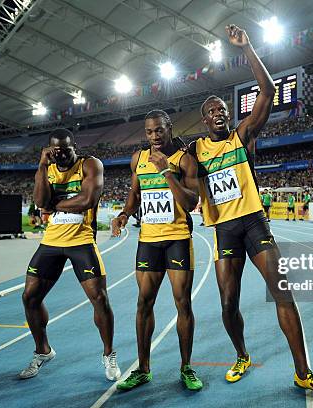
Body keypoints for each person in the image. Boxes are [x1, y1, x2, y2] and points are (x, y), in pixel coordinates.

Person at [188, 25, 313, 396]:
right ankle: (241, 355)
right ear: (204, 120)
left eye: (223, 109)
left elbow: (269, 92)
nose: (219, 113)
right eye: (212, 112)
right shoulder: (195, 151)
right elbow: (187, 190)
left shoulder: (243, 135)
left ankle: (303, 372)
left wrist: (248, 47)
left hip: (254, 222)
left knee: (282, 292)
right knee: (227, 302)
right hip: (224, 230)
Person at [19, 128, 121, 381]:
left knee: (99, 298)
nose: (61, 154)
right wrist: (42, 167)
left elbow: (87, 199)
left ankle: (109, 354)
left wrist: (54, 204)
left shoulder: (89, 164)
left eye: (66, 149)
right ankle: (43, 350)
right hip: (52, 241)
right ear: (49, 150)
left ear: (73, 146)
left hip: (82, 240)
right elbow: (41, 201)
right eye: (56, 150)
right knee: (30, 297)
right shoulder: (47, 169)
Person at [112, 110, 203, 391]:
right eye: (149, 132)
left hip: (177, 238)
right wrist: (125, 213)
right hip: (148, 241)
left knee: (182, 304)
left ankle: (186, 367)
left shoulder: (184, 159)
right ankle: (143, 369)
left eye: (159, 131)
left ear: (169, 128)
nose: (154, 136)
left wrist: (166, 171)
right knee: (143, 303)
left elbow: (191, 202)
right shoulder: (138, 159)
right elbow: (135, 195)